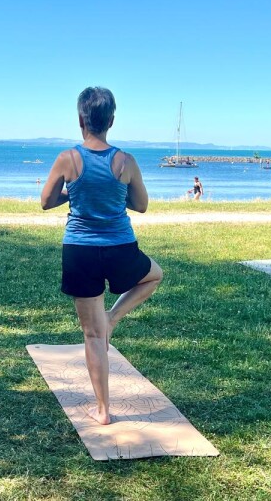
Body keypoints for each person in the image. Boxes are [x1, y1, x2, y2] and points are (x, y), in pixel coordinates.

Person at [40, 87, 163, 425]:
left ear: (81, 119)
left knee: (92, 335)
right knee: (154, 275)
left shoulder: (68, 158)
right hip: (120, 248)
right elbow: (140, 205)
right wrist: (112, 191)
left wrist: (76, 192)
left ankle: (103, 410)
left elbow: (46, 201)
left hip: (80, 251)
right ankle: (114, 316)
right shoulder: (125, 160)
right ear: (111, 120)